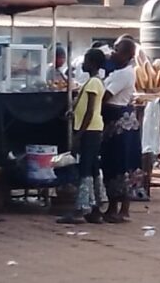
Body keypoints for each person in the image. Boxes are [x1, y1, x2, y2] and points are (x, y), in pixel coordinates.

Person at [57, 48, 107, 225]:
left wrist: (79, 134)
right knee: (92, 168)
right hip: (93, 130)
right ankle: (95, 210)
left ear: (92, 63)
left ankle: (81, 209)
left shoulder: (93, 83)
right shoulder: (94, 82)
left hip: (90, 131)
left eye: (86, 61)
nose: (83, 64)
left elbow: (90, 111)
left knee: (85, 169)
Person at [100, 39, 141, 222]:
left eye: (117, 50)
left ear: (126, 55)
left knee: (122, 165)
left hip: (120, 124)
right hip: (114, 123)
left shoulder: (124, 74)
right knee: (111, 164)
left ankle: (123, 208)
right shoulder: (117, 72)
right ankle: (112, 206)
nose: (112, 53)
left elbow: (104, 96)